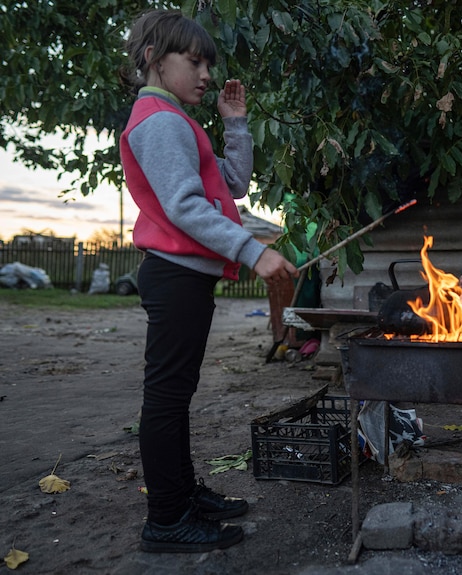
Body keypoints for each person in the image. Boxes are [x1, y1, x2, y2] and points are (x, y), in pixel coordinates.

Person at [120, 10, 297, 553]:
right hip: (173, 275)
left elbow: (234, 183)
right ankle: (167, 519)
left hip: (184, 278)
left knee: (176, 396)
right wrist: (252, 253)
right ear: (154, 58)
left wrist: (235, 124)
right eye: (194, 62)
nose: (205, 75)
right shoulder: (158, 120)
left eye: (208, 66)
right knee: (167, 398)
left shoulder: (178, 120)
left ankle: (182, 494)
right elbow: (184, 206)